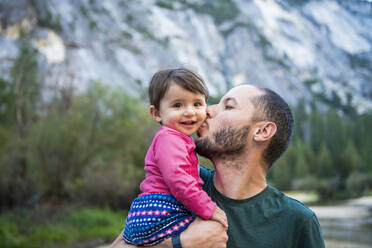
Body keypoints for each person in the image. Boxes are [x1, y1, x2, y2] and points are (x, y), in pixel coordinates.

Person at [112, 84, 325, 248]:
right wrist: (180, 243)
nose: (207, 111)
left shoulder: (298, 222)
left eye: (228, 106)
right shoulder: (180, 181)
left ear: (262, 131)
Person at [122, 68, 228, 246]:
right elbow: (179, 180)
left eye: (197, 104)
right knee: (208, 236)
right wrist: (209, 209)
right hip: (162, 211)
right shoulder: (169, 139)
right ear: (157, 114)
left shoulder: (176, 139)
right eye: (178, 105)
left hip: (153, 212)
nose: (190, 112)